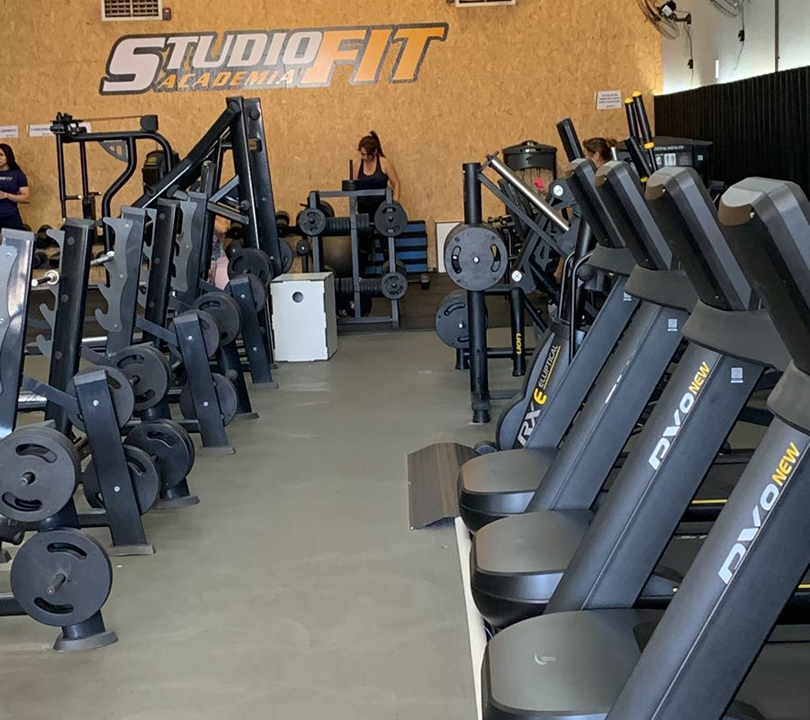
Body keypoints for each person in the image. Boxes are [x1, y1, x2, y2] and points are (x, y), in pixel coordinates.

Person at [0, 144, 30, 232]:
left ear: (8, 156)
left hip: (10, 216)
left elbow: (26, 198)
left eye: (1, 155)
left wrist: (7, 195)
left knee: (12, 240)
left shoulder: (17, 174)